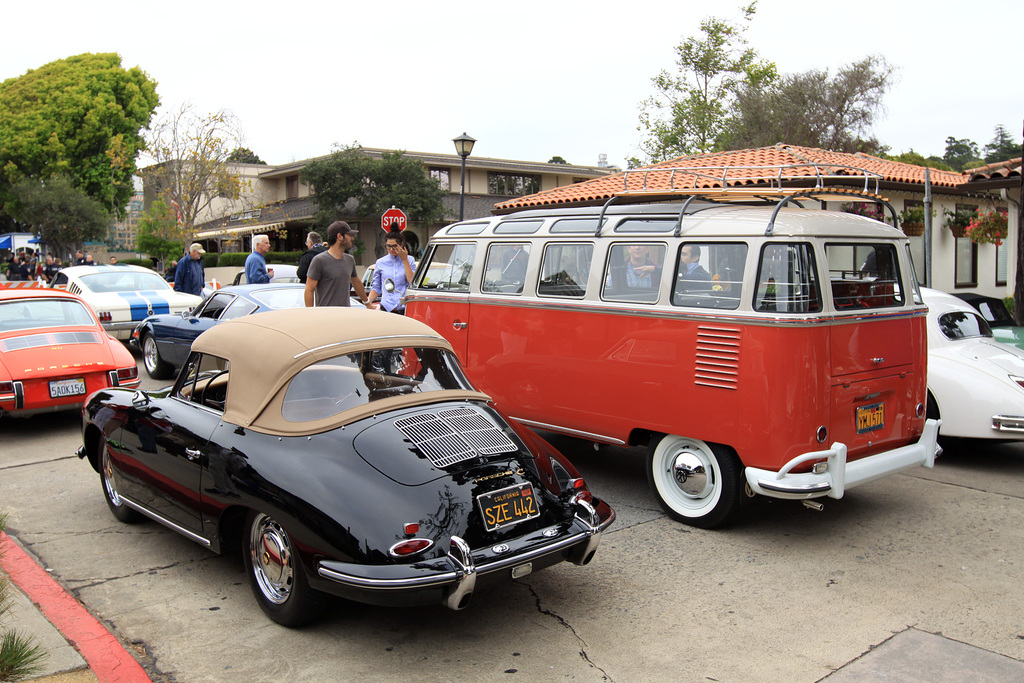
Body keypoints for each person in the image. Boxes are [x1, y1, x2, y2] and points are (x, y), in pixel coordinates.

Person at [304, 221, 369, 307]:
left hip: (345, 315)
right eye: (349, 235)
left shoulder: (349, 260)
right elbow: (309, 290)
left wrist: (367, 303)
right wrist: (310, 314)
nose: (352, 238)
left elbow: (356, 282)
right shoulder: (319, 261)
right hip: (326, 316)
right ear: (339, 236)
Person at [367, 231, 416, 314]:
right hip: (386, 308)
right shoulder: (380, 262)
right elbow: (376, 287)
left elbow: (412, 282)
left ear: (401, 245)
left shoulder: (409, 260)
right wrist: (367, 302)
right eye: (388, 246)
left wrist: (404, 260)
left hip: (404, 308)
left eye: (394, 246)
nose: (391, 249)